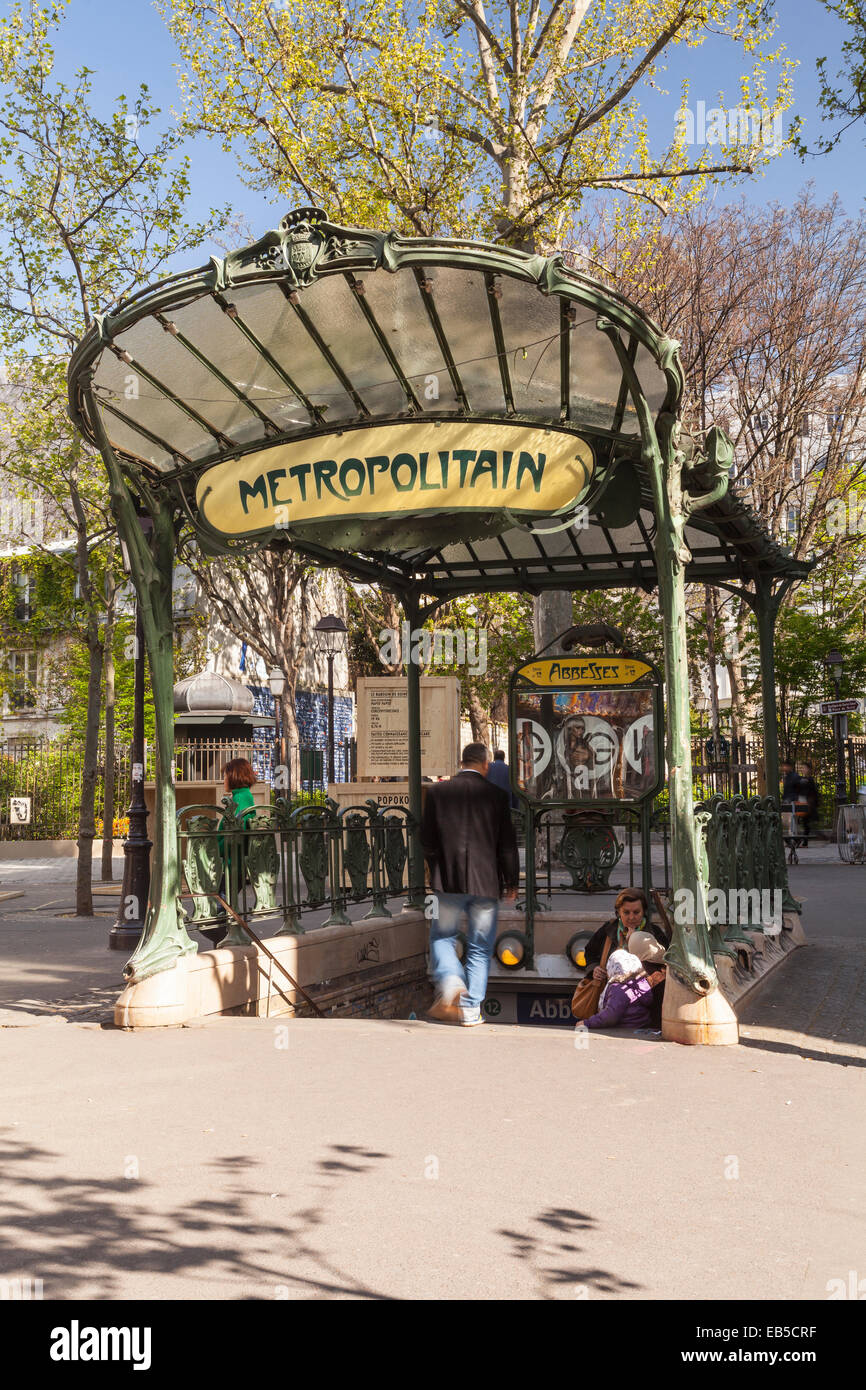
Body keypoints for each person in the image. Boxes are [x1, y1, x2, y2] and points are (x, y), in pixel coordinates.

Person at [420, 741, 520, 1026]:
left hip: (448, 881)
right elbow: (507, 845)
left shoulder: (438, 792)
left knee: (442, 937)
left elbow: (426, 839)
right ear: (485, 764)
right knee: (479, 947)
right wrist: (511, 880)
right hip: (486, 883)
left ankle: (452, 983)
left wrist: (435, 867)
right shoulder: (497, 795)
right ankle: (471, 1009)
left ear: (462, 762)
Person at [201, 758, 258, 948]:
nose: (223, 779)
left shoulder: (241, 798)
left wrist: (212, 851)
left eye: (225, 775)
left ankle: (229, 944)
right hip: (232, 864)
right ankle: (227, 943)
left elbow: (233, 833)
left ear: (234, 776)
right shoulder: (242, 796)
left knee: (210, 914)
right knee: (217, 911)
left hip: (231, 865)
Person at [582, 887, 669, 983]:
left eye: (636, 912)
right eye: (626, 912)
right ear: (619, 912)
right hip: (610, 987)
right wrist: (594, 968)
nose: (631, 917)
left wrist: (634, 942)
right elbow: (590, 952)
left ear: (643, 912)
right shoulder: (609, 929)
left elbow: (665, 963)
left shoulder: (655, 933)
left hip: (644, 988)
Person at [574, 949, 654, 1031]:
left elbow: (610, 1016)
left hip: (623, 1029)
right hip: (640, 1028)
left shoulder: (618, 988)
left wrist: (588, 1023)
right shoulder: (641, 984)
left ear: (612, 968)